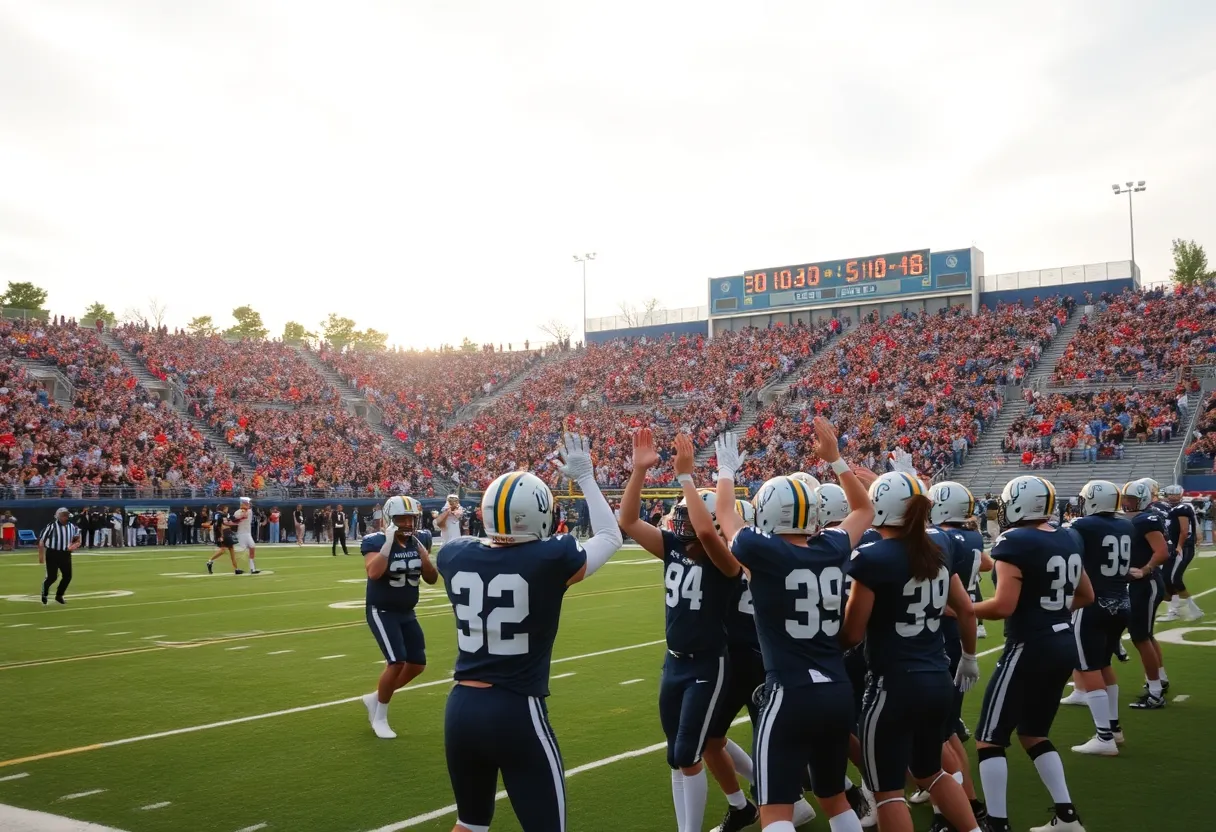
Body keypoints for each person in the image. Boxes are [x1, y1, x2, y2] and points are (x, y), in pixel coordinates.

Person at [436, 433, 622, 832]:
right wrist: (586, 478)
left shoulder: (454, 554)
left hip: (461, 708)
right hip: (516, 710)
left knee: (470, 823)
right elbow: (610, 536)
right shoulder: (549, 557)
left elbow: (480, 547)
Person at [714, 419, 873, 832]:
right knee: (835, 798)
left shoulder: (759, 549)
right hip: (836, 690)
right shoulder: (833, 546)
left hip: (789, 691)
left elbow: (726, 514)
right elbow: (864, 509)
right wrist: (836, 459)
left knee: (775, 809)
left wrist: (727, 471)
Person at [617, 430, 776, 832]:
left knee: (690, 752)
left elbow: (708, 532)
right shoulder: (672, 546)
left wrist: (687, 477)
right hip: (674, 663)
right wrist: (638, 471)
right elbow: (628, 520)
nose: (681, 520)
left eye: (687, 514)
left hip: (709, 664)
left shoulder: (725, 560)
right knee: (677, 754)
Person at [843, 473, 982, 832]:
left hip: (893, 685)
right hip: (937, 676)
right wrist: (968, 657)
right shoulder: (939, 546)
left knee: (887, 791)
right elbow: (965, 609)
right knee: (931, 772)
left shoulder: (873, 557)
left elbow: (853, 632)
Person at [973, 475, 1094, 832]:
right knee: (1033, 733)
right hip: (1062, 642)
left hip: (1029, 644)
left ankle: (997, 823)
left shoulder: (1014, 540)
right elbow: (1086, 595)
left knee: (989, 739)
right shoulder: (1067, 535)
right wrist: (1051, 610)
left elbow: (1003, 606)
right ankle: (1067, 816)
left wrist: (960, 608)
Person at [921, 480, 993, 828]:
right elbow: (986, 567)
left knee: (938, 732)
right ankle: (969, 802)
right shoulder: (970, 538)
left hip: (938, 634)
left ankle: (954, 808)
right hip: (954, 631)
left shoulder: (938, 538)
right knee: (945, 729)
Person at [1064, 480, 1133, 756]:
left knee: (1089, 666)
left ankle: (1104, 737)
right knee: (1104, 663)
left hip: (1093, 603)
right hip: (1122, 601)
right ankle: (1114, 728)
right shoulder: (1126, 525)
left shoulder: (1083, 526)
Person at [361, 495, 437, 739]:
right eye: (401, 518)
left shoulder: (421, 538)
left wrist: (425, 557)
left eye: (411, 518)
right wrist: (388, 544)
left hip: (407, 610)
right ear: (389, 519)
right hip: (382, 610)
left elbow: (432, 578)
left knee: (417, 664)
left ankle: (375, 698)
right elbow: (374, 573)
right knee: (396, 662)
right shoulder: (375, 541)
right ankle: (380, 718)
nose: (406, 523)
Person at [1120, 479, 1170, 709]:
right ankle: (1160, 679)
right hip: (1145, 584)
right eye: (1125, 498)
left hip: (1146, 584)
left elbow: (1162, 552)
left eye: (1130, 499)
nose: (1125, 502)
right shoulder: (1140, 518)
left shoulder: (1145, 519)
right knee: (1146, 635)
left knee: (1140, 637)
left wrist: (1145, 569)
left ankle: (1155, 693)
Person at [1162, 485, 1202, 621]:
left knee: (1174, 578)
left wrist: (1179, 546)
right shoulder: (1173, 509)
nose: (1172, 496)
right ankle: (1175, 611)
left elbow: (1184, 530)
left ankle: (1190, 610)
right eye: (1170, 494)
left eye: (1175, 494)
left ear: (1181, 494)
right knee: (1166, 578)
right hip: (1175, 547)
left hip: (1183, 547)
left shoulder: (1182, 508)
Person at [39, 507, 82, 605]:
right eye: (63, 515)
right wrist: (41, 556)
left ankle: (59, 595)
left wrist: (73, 546)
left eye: (66, 515)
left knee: (67, 576)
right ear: (58, 516)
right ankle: (44, 592)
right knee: (52, 577)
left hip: (65, 554)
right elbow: (42, 541)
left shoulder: (72, 526)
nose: (65, 517)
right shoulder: (52, 526)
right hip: (53, 553)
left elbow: (78, 540)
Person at [205, 505, 243, 575]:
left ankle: (236, 569)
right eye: (226, 509)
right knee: (228, 550)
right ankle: (210, 561)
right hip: (225, 532)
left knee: (227, 550)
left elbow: (213, 523)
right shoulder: (222, 515)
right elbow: (231, 520)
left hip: (223, 533)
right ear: (223, 509)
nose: (227, 510)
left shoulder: (216, 514)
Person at [233, 497, 260, 573]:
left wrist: (248, 507)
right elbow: (241, 517)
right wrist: (244, 509)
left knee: (252, 547)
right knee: (241, 551)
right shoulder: (237, 512)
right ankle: (236, 568)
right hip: (241, 533)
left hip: (247, 533)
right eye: (246, 503)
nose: (248, 504)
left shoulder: (249, 511)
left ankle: (252, 569)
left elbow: (253, 511)